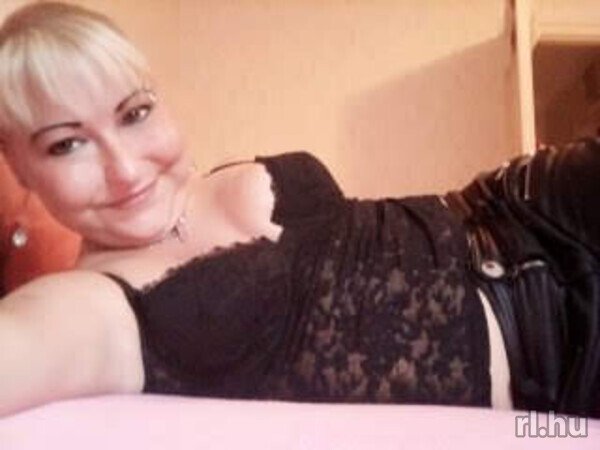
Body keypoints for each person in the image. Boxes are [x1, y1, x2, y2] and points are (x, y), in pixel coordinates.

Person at [0, 1, 598, 419]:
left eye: (135, 114)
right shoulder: (84, 305)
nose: (126, 169)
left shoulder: (185, 183)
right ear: (18, 167)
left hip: (528, 204)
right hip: (556, 352)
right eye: (67, 144)